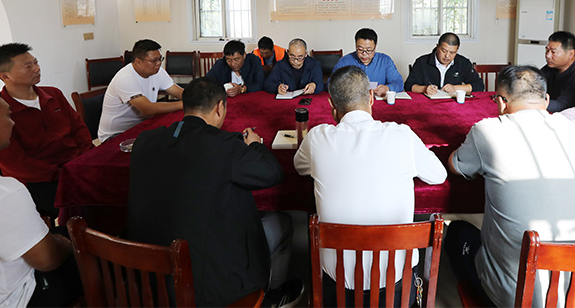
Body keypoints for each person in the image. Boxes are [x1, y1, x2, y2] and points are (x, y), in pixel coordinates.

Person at [127, 77, 303, 307]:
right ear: (220, 107)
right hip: (208, 284)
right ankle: (271, 296)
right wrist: (255, 144)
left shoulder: (144, 141)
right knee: (281, 222)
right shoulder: (224, 145)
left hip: (150, 278)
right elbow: (271, 173)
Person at [444, 65, 575, 307]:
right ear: (546, 100)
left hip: (521, 297)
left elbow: (456, 165)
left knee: (456, 232)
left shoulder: (488, 130)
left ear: (501, 102)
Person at [294, 66, 447, 306]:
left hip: (337, 289)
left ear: (331, 104)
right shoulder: (402, 136)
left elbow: (299, 166)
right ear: (371, 98)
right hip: (396, 288)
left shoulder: (317, 137)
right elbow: (439, 175)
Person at [0, 87, 81, 307]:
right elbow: (47, 260)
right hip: (17, 299)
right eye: (7, 116)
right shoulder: (0, 192)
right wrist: (69, 245)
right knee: (93, 253)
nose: (13, 123)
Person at [0, 43, 93, 216]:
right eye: (28, 66)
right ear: (5, 76)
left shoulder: (53, 94)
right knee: (85, 204)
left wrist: (85, 161)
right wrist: (62, 174)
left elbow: (79, 130)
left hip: (75, 166)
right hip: (38, 180)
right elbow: (17, 164)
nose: (37, 69)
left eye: (36, 62)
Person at [98, 39, 183, 142]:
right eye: (154, 60)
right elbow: (148, 109)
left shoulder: (158, 72)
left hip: (143, 127)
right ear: (138, 61)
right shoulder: (125, 78)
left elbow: (178, 92)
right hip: (116, 135)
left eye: (160, 59)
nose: (159, 63)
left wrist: (195, 96)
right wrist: (185, 104)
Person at [332, 28, 404, 97]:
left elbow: (399, 83)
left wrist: (388, 88)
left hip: (378, 101)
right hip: (353, 102)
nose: (364, 54)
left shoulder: (385, 61)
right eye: (360, 49)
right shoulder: (345, 61)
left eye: (369, 50)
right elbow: (331, 83)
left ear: (375, 47)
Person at [404, 32, 484, 95]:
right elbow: (408, 86)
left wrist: (455, 88)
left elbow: (479, 85)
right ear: (437, 47)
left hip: (453, 105)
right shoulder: (422, 62)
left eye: (452, 52)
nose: (447, 56)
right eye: (444, 51)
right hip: (427, 104)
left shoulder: (462, 62)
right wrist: (425, 89)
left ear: (457, 50)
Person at [541, 31, 575, 112]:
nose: (548, 56)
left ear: (571, 54)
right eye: (547, 50)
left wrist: (532, 102)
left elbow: (562, 106)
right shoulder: (551, 67)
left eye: (553, 52)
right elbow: (534, 81)